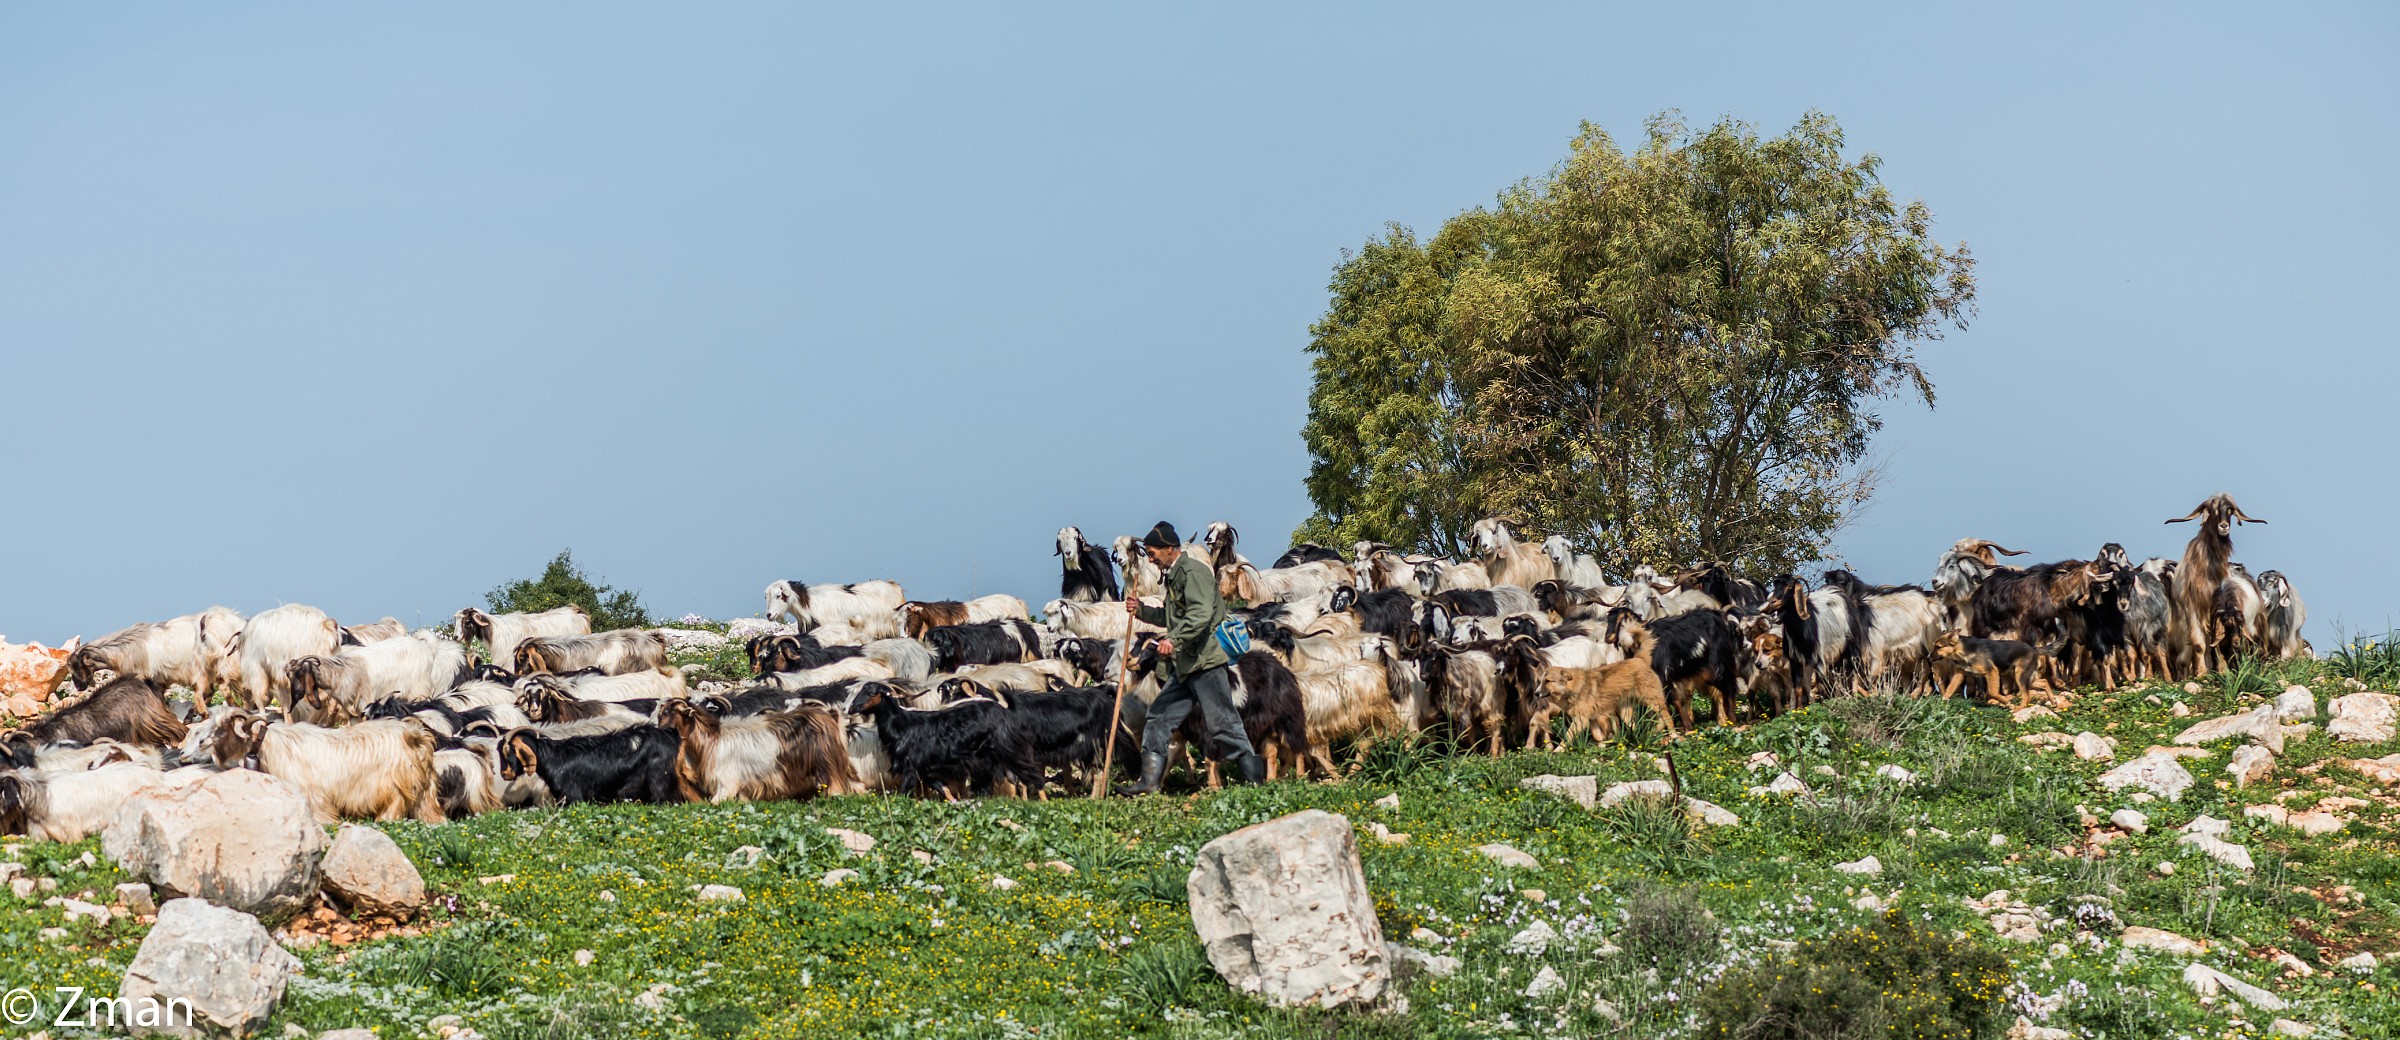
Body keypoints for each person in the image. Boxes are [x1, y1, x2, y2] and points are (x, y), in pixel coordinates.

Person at [1116, 520, 1265, 794]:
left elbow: (1199, 615)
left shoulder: (1193, 572)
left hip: (1205, 663)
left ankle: (1255, 784)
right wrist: (1140, 611)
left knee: (1223, 724)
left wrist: (1174, 639)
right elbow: (1172, 617)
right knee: (1159, 717)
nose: (1149, 558)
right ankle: (1149, 783)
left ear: (1170, 549)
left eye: (1152, 552)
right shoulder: (1175, 575)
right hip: (1186, 665)